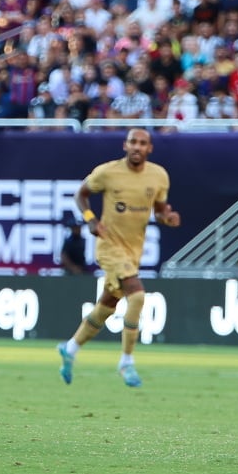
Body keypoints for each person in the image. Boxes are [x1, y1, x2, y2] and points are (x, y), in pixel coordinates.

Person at [56, 129, 181, 388]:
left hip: (134, 249)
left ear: (150, 149)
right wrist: (91, 220)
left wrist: (167, 218)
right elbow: (80, 195)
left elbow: (159, 210)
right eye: (133, 142)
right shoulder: (107, 172)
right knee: (137, 296)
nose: (137, 147)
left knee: (107, 306)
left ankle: (70, 348)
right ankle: (126, 361)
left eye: (143, 143)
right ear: (125, 145)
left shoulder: (159, 176)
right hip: (109, 246)